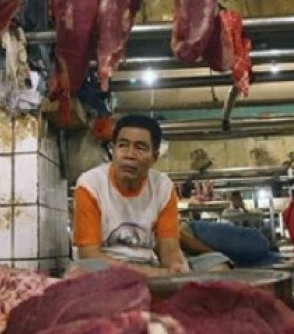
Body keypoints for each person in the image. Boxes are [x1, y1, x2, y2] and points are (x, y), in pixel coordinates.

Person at [72, 114, 190, 276]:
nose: (129, 154)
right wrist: (151, 274)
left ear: (154, 157)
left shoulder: (163, 187)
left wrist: (175, 266)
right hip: (103, 273)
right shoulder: (90, 184)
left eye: (140, 148)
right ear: (113, 150)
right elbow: (89, 256)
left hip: (149, 266)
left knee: (217, 264)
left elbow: (169, 249)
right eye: (122, 145)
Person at [179, 219, 282, 268]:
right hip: (191, 252)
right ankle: (276, 258)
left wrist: (215, 255)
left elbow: (180, 237)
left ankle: (274, 253)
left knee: (255, 244)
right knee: (262, 264)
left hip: (192, 234)